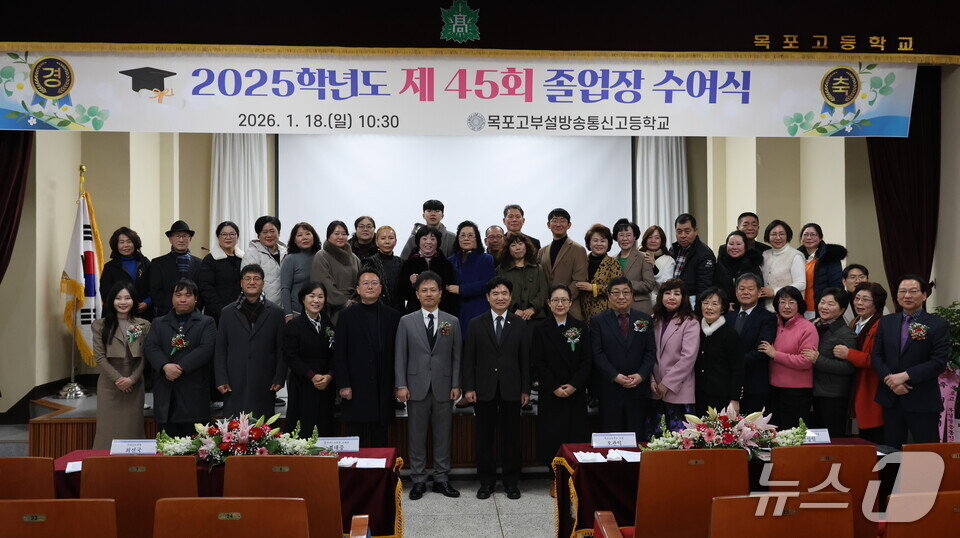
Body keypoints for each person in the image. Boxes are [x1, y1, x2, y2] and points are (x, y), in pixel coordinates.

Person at [395, 271, 462, 500]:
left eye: (433, 290)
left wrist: (456, 384)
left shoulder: (452, 321)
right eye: (424, 290)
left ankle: (442, 479)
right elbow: (400, 356)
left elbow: (457, 356)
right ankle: (418, 480)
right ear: (417, 294)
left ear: (441, 293)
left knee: (443, 435)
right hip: (415, 387)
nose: (429, 294)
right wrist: (401, 385)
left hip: (444, 386)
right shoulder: (406, 321)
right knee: (416, 435)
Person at [462, 277, 531, 500]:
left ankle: (511, 482)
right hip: (484, 388)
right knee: (484, 438)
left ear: (510, 297)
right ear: (487, 297)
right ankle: (486, 482)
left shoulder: (519, 323)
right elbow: (468, 359)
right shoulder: (475, 323)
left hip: (512, 388)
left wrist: (526, 389)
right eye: (495, 293)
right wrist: (468, 388)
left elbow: (525, 359)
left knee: (512, 438)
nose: (500, 297)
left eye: (504, 293)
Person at [871, 275, 949, 448]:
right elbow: (876, 356)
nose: (907, 295)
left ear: (924, 295)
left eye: (913, 291)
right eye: (902, 291)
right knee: (892, 452)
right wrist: (891, 381)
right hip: (891, 398)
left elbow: (938, 362)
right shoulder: (886, 322)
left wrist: (905, 376)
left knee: (925, 452)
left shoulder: (937, 324)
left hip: (922, 399)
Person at [334, 268, 402, 447]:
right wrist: (344, 384)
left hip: (383, 387)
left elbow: (398, 353)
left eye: (374, 283)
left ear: (381, 288)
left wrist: (398, 385)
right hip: (355, 388)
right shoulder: (346, 315)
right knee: (357, 442)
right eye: (365, 283)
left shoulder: (392, 316)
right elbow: (339, 352)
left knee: (381, 441)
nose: (370, 287)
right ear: (358, 289)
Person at [144, 279, 216, 437]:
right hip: (166, 395)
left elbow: (206, 348)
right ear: (172, 298)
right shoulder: (158, 322)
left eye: (188, 295)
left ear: (195, 299)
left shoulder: (206, 322)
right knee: (167, 446)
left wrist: (180, 367)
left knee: (196, 446)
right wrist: (165, 366)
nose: (183, 299)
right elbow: (151, 347)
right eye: (178, 295)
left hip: (194, 395)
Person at [215, 264, 286, 419]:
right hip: (234, 380)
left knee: (263, 427)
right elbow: (220, 349)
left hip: (265, 380)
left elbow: (281, 349)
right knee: (233, 427)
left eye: (256, 278)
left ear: (263, 283)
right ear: (241, 283)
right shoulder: (227, 312)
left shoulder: (276, 312)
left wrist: (279, 377)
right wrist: (221, 378)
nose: (252, 282)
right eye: (247, 278)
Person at [590, 276, 657, 440]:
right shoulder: (597, 321)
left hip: (638, 389)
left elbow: (650, 352)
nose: (621, 296)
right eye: (616, 292)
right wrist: (615, 376)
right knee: (611, 437)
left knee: (637, 437)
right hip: (610, 389)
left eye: (626, 292)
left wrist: (641, 375)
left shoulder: (645, 319)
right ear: (608, 296)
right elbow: (597, 353)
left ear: (632, 295)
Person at [532, 284, 591, 466]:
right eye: (556, 300)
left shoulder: (580, 327)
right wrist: (554, 386)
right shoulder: (540, 329)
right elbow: (538, 362)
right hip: (551, 392)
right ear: (549, 303)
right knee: (552, 436)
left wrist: (574, 385)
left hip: (575, 392)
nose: (560, 304)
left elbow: (587, 361)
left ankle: (574, 475)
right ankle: (554, 475)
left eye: (564, 300)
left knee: (575, 437)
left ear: (570, 303)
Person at [91, 282, 151, 449]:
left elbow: (145, 356)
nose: (123, 302)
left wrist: (131, 379)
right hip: (109, 385)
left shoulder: (143, 325)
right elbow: (99, 357)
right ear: (111, 301)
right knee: (107, 431)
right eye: (118, 298)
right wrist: (118, 379)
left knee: (133, 429)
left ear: (134, 300)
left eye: (127, 298)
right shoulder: (100, 325)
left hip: (134, 385)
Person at [758, 286, 818, 429]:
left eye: (791, 302)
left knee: (793, 434)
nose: (786, 306)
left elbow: (805, 361)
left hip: (797, 392)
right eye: (782, 302)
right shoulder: (773, 323)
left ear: (799, 305)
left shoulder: (807, 327)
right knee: (774, 433)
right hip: (773, 389)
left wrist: (775, 354)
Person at [834, 282, 887, 444]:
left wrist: (849, 354)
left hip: (872, 385)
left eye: (865, 300)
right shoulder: (855, 322)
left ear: (877, 303)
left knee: (874, 435)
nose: (859, 303)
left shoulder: (882, 325)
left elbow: (878, 359)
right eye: (857, 298)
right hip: (855, 384)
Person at [284, 281, 336, 437]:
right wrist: (312, 376)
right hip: (303, 384)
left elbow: (336, 354)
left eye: (320, 296)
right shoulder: (294, 325)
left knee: (324, 428)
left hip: (325, 385)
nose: (316, 300)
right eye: (312, 296)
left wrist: (329, 375)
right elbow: (290, 356)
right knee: (302, 430)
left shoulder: (329, 325)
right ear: (303, 299)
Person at [649, 278, 700, 433]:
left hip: (679, 390)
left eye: (677, 294)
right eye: (667, 293)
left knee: (679, 440)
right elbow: (647, 353)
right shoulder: (653, 319)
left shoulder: (690, 321)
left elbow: (688, 358)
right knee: (656, 439)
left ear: (683, 298)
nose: (672, 297)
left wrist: (667, 383)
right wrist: (652, 380)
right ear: (661, 296)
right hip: (655, 390)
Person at [807, 288, 858, 437]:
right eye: (822, 302)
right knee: (813, 438)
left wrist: (818, 360)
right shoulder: (813, 325)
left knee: (832, 438)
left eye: (831, 304)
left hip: (833, 395)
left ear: (842, 309)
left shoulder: (846, 334)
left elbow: (848, 367)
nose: (824, 307)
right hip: (813, 392)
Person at [725, 273, 777, 415]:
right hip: (729, 383)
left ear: (759, 292)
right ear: (736, 292)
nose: (745, 292)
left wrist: (734, 362)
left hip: (754, 384)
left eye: (750, 289)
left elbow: (762, 349)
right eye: (741, 289)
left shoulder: (768, 318)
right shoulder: (728, 317)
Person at [694, 287, 744, 416]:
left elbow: (738, 369)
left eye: (715, 304)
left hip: (722, 396)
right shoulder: (694, 330)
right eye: (705, 303)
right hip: (697, 395)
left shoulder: (730, 334)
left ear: (722, 308)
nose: (709, 307)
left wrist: (735, 399)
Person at [447, 221, 496, 339]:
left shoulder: (486, 259)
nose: (466, 238)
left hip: (478, 309)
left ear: (476, 238)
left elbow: (488, 283)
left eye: (470, 235)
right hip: (456, 311)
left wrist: (461, 289)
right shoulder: (450, 260)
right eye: (462, 235)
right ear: (458, 239)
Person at [537, 208, 588, 320]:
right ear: (548, 225)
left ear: (569, 225)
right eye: (554, 221)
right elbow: (539, 280)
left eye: (562, 221)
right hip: (547, 309)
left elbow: (579, 280)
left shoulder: (578, 249)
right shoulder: (542, 251)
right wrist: (549, 302)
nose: (558, 224)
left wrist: (562, 300)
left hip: (570, 308)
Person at [310, 220, 362, 323]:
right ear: (328, 236)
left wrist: (356, 300)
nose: (340, 237)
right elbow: (324, 283)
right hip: (333, 308)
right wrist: (345, 302)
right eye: (336, 233)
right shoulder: (322, 256)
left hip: (355, 306)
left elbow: (361, 281)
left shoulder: (354, 257)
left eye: (344, 234)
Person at [398, 225, 458, 314]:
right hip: (415, 312)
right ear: (418, 241)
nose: (428, 242)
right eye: (424, 239)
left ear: (438, 242)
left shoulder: (445, 264)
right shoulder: (409, 263)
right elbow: (402, 292)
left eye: (433, 239)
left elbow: (451, 292)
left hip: (441, 311)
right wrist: (411, 283)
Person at [149, 220, 202, 317]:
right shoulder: (157, 263)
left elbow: (202, 290)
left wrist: (193, 308)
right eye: (177, 236)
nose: (181, 240)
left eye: (184, 236)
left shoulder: (200, 263)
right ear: (170, 239)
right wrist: (175, 308)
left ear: (190, 239)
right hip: (166, 315)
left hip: (194, 315)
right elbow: (155, 291)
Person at [496, 232, 550, 322]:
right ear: (508, 249)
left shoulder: (537, 268)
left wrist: (532, 308)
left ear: (526, 246)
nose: (518, 248)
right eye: (513, 245)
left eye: (520, 244)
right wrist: (514, 309)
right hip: (510, 318)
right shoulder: (501, 270)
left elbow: (543, 292)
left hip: (536, 317)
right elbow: (499, 293)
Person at [100, 227, 152, 318]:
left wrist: (147, 302)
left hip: (143, 315)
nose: (126, 245)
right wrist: (123, 305)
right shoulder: (109, 267)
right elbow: (105, 294)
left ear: (135, 243)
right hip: (117, 316)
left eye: (129, 241)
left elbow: (155, 287)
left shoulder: (145, 263)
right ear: (116, 245)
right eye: (122, 242)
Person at [576, 224, 623, 324]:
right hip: (583, 313)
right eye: (595, 240)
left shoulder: (613, 263)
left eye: (603, 241)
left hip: (605, 314)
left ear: (608, 243)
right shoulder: (582, 261)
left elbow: (617, 288)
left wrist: (593, 288)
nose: (599, 244)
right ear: (589, 243)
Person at [199, 221, 244, 324]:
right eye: (224, 234)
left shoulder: (243, 258)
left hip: (241, 312)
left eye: (232, 234)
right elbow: (206, 288)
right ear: (218, 237)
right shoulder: (210, 260)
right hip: (217, 314)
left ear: (237, 237)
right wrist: (222, 310)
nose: (228, 237)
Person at [799, 223, 847, 319]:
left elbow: (837, 287)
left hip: (820, 309)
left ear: (820, 238)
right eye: (805, 234)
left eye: (813, 234)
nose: (809, 238)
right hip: (800, 308)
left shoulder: (830, 257)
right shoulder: (797, 257)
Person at [760, 220, 805, 313]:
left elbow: (801, 284)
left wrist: (775, 292)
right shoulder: (765, 254)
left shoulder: (795, 255)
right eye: (774, 234)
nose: (778, 237)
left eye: (782, 234)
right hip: (766, 309)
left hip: (787, 310)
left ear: (787, 236)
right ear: (768, 236)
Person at [612, 219, 656, 315]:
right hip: (618, 309)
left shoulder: (644, 257)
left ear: (634, 237)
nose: (625, 239)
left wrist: (627, 285)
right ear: (616, 238)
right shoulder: (612, 260)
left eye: (628, 235)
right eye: (621, 235)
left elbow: (649, 284)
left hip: (639, 308)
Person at [668, 213, 716, 302]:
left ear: (695, 231)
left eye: (687, 231)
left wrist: (698, 308)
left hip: (691, 301)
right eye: (679, 231)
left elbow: (704, 287)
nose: (683, 235)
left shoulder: (705, 254)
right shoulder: (673, 249)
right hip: (672, 298)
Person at [241, 215, 286, 305]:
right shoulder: (252, 253)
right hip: (261, 306)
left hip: (285, 307)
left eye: (272, 231)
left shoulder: (286, 252)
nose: (269, 235)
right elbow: (249, 283)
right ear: (258, 235)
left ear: (279, 232)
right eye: (265, 232)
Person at [714, 230, 764, 310]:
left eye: (738, 244)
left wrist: (736, 307)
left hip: (748, 310)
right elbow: (714, 288)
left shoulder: (753, 265)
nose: (734, 247)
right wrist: (724, 305)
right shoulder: (719, 265)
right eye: (731, 244)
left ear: (745, 246)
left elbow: (758, 292)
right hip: (722, 309)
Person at [280, 222, 321, 318]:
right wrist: (288, 314)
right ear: (294, 240)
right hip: (297, 313)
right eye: (300, 235)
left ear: (314, 237)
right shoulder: (290, 259)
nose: (304, 237)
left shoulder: (320, 257)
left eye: (308, 234)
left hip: (318, 312)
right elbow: (285, 289)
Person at [364, 226, 404, 311]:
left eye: (391, 238)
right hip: (376, 308)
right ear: (376, 242)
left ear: (395, 241)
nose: (387, 241)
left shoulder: (401, 262)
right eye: (383, 238)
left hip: (399, 309)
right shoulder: (370, 262)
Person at [640, 225, 676, 304]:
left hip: (658, 303)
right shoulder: (638, 255)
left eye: (657, 238)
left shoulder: (669, 260)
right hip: (638, 301)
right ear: (645, 240)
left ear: (661, 241)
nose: (653, 240)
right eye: (650, 237)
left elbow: (667, 285)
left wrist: (654, 267)